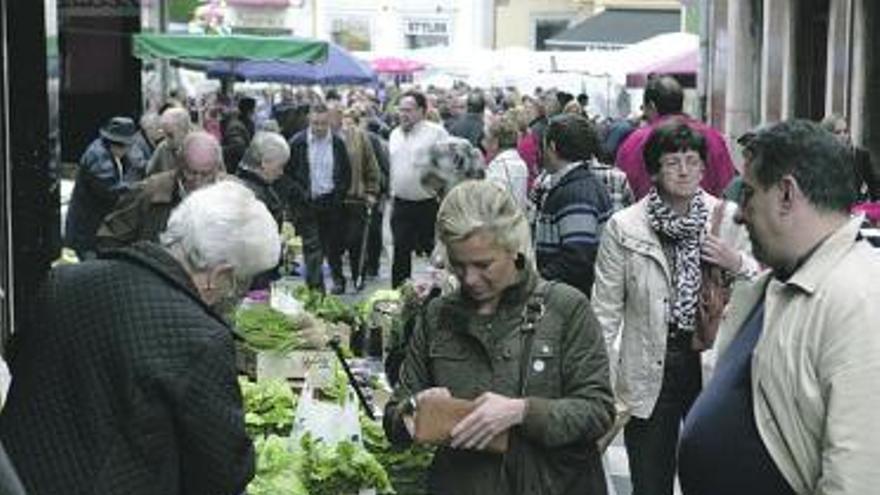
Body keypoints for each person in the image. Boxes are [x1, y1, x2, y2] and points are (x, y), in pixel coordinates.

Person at [0, 180, 281, 495]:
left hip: (18, 476)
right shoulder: (201, 339)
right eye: (239, 282)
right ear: (218, 276)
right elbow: (224, 471)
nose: (235, 293)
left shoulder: (64, 280)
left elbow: (20, 361)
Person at [678, 120, 880, 494]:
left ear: (787, 194)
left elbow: (858, 478)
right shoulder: (785, 281)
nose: (740, 213)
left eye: (750, 194)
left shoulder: (860, 297)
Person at [383, 180, 614, 495]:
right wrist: (412, 410)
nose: (470, 279)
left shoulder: (565, 309)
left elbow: (597, 411)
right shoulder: (438, 315)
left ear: (514, 247)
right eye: (459, 265)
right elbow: (396, 417)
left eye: (483, 265)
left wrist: (521, 412)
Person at [591, 119, 758, 495]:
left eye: (692, 161)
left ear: (703, 166)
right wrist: (601, 380)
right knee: (651, 480)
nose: (684, 171)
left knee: (712, 476)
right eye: (672, 162)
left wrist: (736, 261)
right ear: (654, 169)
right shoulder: (625, 226)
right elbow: (604, 310)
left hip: (711, 363)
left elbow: (763, 288)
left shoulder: (730, 220)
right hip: (648, 363)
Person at [96, 131, 225, 249]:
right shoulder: (149, 192)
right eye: (191, 173)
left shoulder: (233, 196)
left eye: (206, 174)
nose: (198, 181)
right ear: (179, 165)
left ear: (217, 169)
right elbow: (110, 238)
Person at [616, 75, 736, 199]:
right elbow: (727, 187)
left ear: (652, 106)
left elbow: (622, 188)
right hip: (710, 216)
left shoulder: (634, 143)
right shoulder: (714, 138)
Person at [533, 113, 613, 297]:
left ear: (552, 147)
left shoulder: (575, 192)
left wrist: (539, 281)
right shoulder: (583, 184)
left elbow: (578, 257)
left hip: (572, 298)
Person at [286, 102, 352, 294]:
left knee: (333, 245)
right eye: (315, 123)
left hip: (331, 202)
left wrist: (339, 195)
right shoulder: (297, 143)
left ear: (329, 121)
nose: (319, 128)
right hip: (307, 203)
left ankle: (338, 280)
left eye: (323, 123)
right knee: (312, 247)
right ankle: (316, 290)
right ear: (309, 121)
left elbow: (346, 173)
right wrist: (298, 197)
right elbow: (288, 175)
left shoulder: (338, 143)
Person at [388, 91, 450, 288]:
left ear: (422, 111)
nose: (403, 114)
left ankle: (441, 290)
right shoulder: (394, 134)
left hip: (427, 203)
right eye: (401, 110)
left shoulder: (436, 133)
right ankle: (399, 294)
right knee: (400, 252)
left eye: (409, 110)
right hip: (401, 203)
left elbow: (448, 165)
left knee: (434, 252)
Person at [64, 116, 140, 260]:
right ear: (117, 144)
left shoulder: (109, 152)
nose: (129, 150)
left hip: (94, 230)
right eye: (127, 146)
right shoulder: (98, 157)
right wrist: (139, 188)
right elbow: (111, 189)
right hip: (87, 234)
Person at [338, 107, 381, 289]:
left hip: (356, 198)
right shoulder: (327, 138)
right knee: (335, 242)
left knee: (356, 241)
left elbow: (372, 166)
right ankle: (338, 279)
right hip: (333, 201)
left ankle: (358, 275)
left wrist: (371, 191)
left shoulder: (360, 137)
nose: (345, 123)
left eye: (349, 119)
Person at [820, 114, 879, 201]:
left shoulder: (860, 156)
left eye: (846, 131)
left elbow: (874, 186)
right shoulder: (820, 158)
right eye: (838, 132)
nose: (843, 136)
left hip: (857, 209)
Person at [483, 114, 529, 211]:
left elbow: (492, 205)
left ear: (495, 142)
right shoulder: (520, 163)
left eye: (486, 139)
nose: (484, 144)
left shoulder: (499, 166)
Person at [146, 106, 191, 176]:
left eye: (170, 135)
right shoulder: (163, 148)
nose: (166, 139)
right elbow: (149, 172)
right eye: (164, 134)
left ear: (184, 130)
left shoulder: (198, 147)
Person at [222, 96, 256, 174]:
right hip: (234, 166)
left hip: (238, 165)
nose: (254, 111)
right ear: (249, 110)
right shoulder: (236, 125)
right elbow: (237, 147)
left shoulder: (247, 123)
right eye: (254, 109)